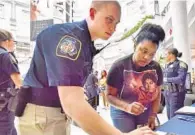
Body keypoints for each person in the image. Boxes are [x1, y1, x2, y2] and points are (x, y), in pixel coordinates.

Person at [18, 1, 156, 135]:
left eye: (116, 23)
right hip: (43, 115)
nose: (113, 28)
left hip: (53, 113)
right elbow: (73, 103)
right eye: (109, 20)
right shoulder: (70, 39)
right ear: (92, 13)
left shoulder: (85, 42)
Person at [106, 23, 165, 132]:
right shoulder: (119, 66)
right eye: (144, 51)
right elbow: (109, 96)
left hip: (145, 110)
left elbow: (157, 96)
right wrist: (127, 107)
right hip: (122, 111)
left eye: (152, 54)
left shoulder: (156, 67)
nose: (147, 57)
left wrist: (152, 115)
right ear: (135, 45)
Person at [0, 29, 22, 135]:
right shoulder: (5, 56)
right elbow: (19, 82)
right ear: (7, 41)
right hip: (4, 104)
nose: (14, 44)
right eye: (14, 41)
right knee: (6, 129)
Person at [163, 48, 188, 119]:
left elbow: (181, 79)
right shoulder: (167, 66)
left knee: (174, 117)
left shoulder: (181, 64)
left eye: (166, 54)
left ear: (171, 55)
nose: (165, 56)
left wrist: (167, 79)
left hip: (176, 94)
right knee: (169, 117)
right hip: (167, 94)